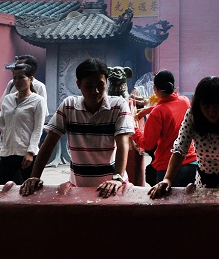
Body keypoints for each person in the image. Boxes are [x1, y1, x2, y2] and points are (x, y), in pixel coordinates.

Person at [20, 58, 134, 198]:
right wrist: (35, 176)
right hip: (78, 187)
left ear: (106, 83)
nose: (95, 91)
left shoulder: (118, 105)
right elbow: (49, 143)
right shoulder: (69, 106)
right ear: (78, 84)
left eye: (100, 85)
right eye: (89, 86)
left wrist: (117, 178)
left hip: (111, 187)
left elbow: (123, 143)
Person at [0, 63, 46, 185]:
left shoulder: (38, 101)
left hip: (26, 155)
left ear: (31, 79)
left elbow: (38, 129)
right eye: (15, 77)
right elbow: (3, 123)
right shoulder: (7, 99)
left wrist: (30, 152)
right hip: (7, 152)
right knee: (2, 190)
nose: (17, 81)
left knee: (26, 192)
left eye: (21, 77)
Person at [131, 70, 197, 187]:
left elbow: (148, 144)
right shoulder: (185, 101)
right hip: (192, 164)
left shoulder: (157, 113)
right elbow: (171, 107)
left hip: (168, 169)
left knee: (167, 205)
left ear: (155, 89)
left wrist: (133, 128)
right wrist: (149, 109)